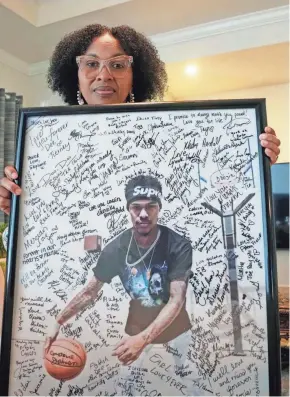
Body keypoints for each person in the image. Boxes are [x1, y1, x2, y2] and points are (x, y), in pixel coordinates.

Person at [0, 23, 282, 215]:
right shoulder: (47, 148)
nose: (104, 74)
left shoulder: (172, 136)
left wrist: (250, 160)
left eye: (118, 64)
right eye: (91, 63)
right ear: (74, 74)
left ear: (136, 77)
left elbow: (205, 190)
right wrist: (17, 207)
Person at [45, 175, 193, 365]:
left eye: (151, 207)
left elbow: (176, 299)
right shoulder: (116, 249)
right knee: (126, 386)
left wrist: (143, 339)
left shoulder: (178, 245)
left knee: (189, 381)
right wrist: (57, 322)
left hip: (176, 326)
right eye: (136, 207)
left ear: (159, 208)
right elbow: (90, 292)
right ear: (128, 210)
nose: (144, 214)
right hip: (136, 326)